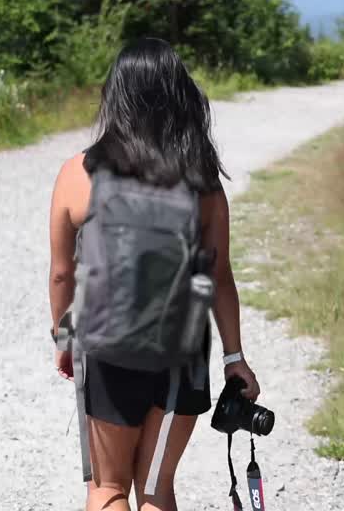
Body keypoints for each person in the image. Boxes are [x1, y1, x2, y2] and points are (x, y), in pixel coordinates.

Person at [48, 38, 260, 511]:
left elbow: (62, 274)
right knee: (155, 489)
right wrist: (234, 357)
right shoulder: (202, 180)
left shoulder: (77, 173)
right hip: (179, 356)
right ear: (179, 96)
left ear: (115, 96)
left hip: (106, 348)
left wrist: (64, 339)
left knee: (107, 489)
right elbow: (219, 276)